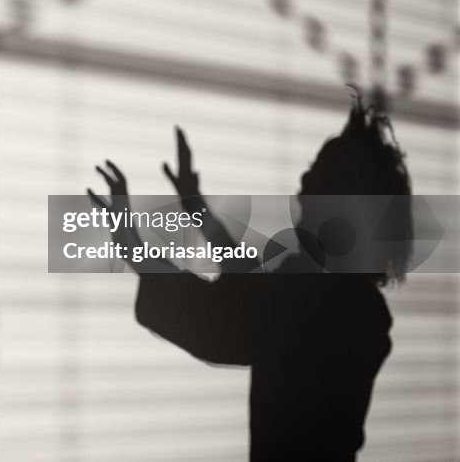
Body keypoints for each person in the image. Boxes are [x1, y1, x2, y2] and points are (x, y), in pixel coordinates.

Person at [89, 93, 413, 461]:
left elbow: (227, 311)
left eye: (319, 174)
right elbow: (249, 288)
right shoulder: (359, 310)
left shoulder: (311, 305)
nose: (304, 180)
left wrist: (131, 239)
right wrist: (194, 208)